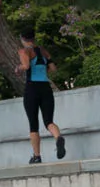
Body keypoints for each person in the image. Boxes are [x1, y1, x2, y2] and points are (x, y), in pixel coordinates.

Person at [18, 30, 67, 164]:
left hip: (32, 89)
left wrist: (19, 68)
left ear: (23, 39)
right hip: (46, 88)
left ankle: (37, 156)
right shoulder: (43, 51)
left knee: (33, 124)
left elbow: (26, 65)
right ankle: (58, 138)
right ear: (33, 38)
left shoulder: (24, 51)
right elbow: (53, 68)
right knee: (49, 121)